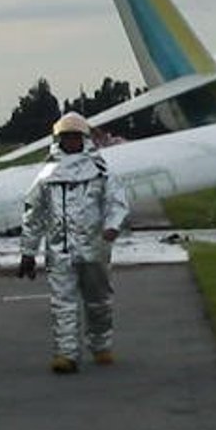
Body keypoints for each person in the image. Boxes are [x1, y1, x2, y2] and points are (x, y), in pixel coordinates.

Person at [18, 112, 132, 373]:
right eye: (65, 137)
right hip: (59, 252)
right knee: (62, 303)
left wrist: (112, 227)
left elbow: (117, 201)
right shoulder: (47, 174)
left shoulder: (100, 170)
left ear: (84, 139)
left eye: (75, 136)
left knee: (98, 302)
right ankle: (66, 355)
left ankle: (101, 345)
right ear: (58, 140)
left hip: (94, 249)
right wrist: (28, 251)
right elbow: (33, 213)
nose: (70, 141)